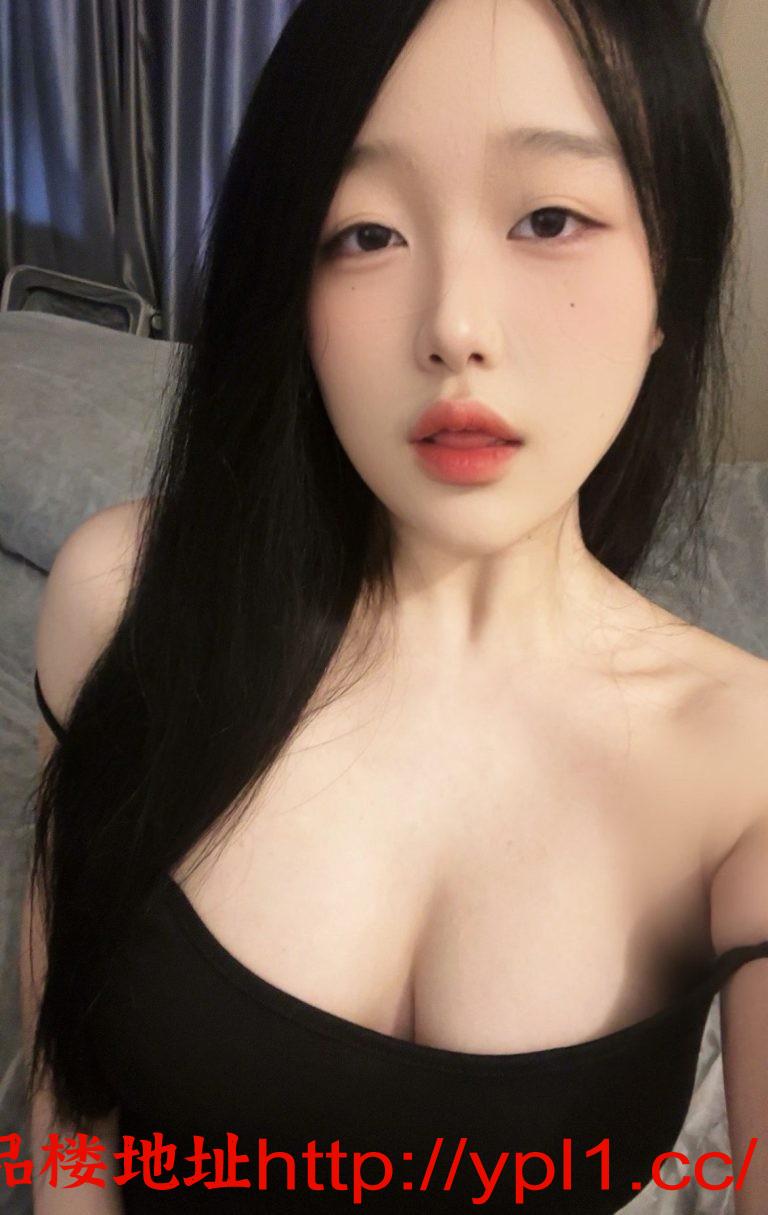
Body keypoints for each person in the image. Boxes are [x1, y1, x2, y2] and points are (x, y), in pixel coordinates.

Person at [21, 0, 768, 1211]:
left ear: (667, 285)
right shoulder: (126, 603)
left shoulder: (744, 767)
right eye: (365, 233)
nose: (454, 328)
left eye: (549, 219)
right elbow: (70, 1117)